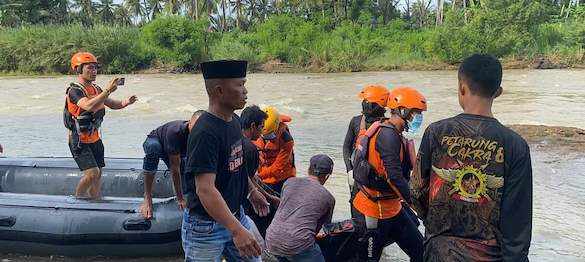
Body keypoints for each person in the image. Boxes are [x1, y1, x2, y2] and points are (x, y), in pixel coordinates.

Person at [410, 54, 532, 262]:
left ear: (461, 88)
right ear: (498, 92)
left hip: (439, 252)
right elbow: (517, 221)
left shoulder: (436, 133)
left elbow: (416, 190)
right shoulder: (515, 145)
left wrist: (434, 224)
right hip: (489, 256)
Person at [182, 60, 265, 262]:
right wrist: (237, 231)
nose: (245, 91)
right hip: (206, 227)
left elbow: (236, 166)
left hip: (236, 215)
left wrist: (251, 191)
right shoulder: (205, 132)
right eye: (240, 85)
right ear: (219, 91)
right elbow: (205, 190)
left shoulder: (234, 122)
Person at [351, 86, 426, 261]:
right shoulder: (388, 136)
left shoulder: (389, 129)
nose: (419, 118)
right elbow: (394, 177)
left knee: (421, 251)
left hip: (393, 207)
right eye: (416, 113)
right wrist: (418, 205)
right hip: (374, 211)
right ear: (402, 110)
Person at [64, 52, 137, 198]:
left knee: (98, 176)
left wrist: (126, 102)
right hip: (79, 141)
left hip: (95, 139)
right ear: (78, 70)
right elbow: (88, 106)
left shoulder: (96, 89)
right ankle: (78, 199)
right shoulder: (74, 91)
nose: (94, 71)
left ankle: (95, 201)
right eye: (89, 68)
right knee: (93, 173)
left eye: (95, 68)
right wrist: (107, 90)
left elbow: (112, 104)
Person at [266, 154, 336, 262]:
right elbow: (323, 227)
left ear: (309, 169)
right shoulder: (328, 198)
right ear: (327, 176)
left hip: (272, 239)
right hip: (298, 244)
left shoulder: (289, 182)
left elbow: (283, 207)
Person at [138, 110, 205, 219]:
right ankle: (147, 196)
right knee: (154, 148)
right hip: (157, 140)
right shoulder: (175, 132)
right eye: (193, 129)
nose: (196, 133)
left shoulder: (204, 135)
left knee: (187, 175)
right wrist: (180, 198)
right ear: (189, 122)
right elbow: (175, 169)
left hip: (178, 150)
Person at [343, 84, 390, 218]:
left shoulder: (387, 126)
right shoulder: (356, 121)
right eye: (364, 101)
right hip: (357, 174)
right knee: (356, 207)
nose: (364, 104)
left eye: (367, 102)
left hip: (377, 179)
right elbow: (346, 147)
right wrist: (349, 170)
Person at [240, 105, 281, 237]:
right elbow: (249, 182)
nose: (262, 131)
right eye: (261, 127)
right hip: (245, 201)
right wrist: (270, 197)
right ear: (253, 126)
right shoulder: (250, 150)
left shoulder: (232, 140)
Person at [254, 106, 296, 194]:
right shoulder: (256, 131)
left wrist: (259, 176)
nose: (267, 138)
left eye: (269, 135)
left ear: (277, 127)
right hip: (262, 175)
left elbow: (278, 167)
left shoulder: (287, 140)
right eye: (264, 135)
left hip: (282, 178)